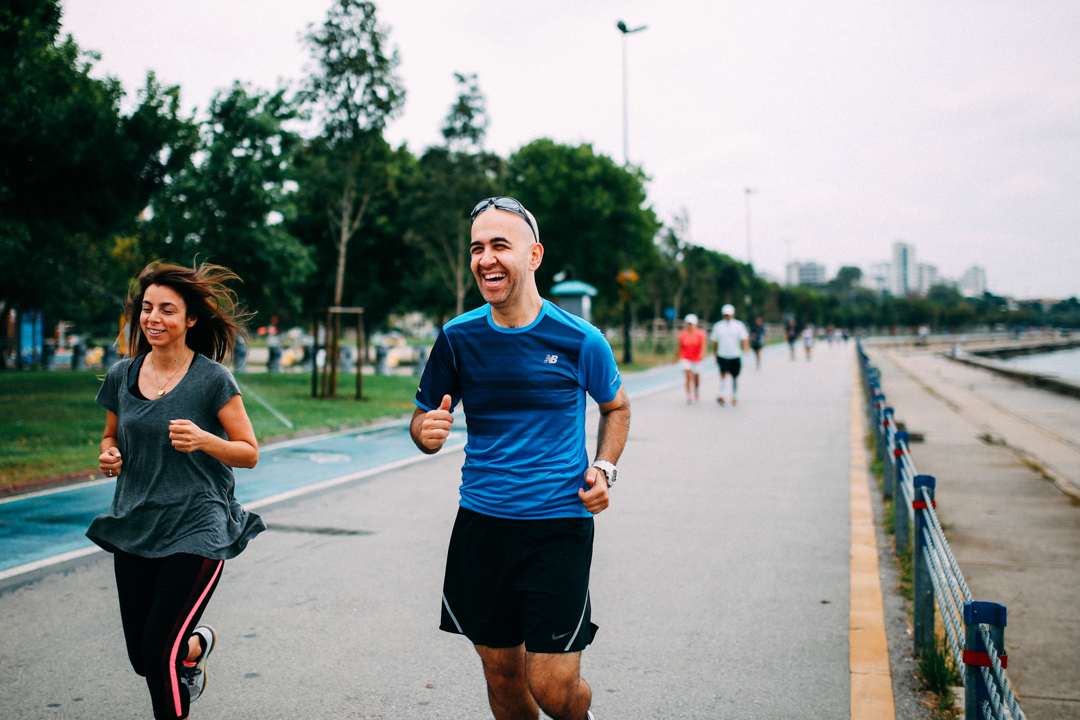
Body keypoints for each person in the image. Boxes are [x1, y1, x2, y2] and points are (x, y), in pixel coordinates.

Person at [411, 196, 631, 720]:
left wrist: (604, 467)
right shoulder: (458, 338)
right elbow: (420, 421)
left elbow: (616, 406)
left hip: (558, 525)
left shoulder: (580, 339)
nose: (485, 258)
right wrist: (428, 431)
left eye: (499, 246)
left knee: (552, 687)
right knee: (503, 677)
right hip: (482, 525)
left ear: (533, 256)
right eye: (477, 248)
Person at [90, 262, 263, 720]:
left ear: (190, 320)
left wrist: (205, 440)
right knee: (142, 657)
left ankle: (177, 661)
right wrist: (109, 456)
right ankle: (196, 646)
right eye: (147, 308)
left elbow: (248, 452)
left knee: (157, 653)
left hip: (197, 526)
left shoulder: (212, 379)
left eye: (167, 310)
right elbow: (111, 437)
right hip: (136, 523)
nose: (153, 318)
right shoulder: (121, 376)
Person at [710, 303, 749, 406]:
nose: (727, 317)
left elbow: (744, 338)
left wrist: (745, 347)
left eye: (729, 314)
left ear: (733, 314)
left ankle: (734, 396)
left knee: (735, 376)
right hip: (722, 354)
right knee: (723, 374)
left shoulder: (739, 325)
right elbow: (714, 341)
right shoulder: (718, 326)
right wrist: (715, 353)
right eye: (725, 315)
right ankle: (722, 395)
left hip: (735, 355)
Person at [676, 313, 706, 402]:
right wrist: (676, 357)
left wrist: (702, 354)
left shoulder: (700, 334)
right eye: (688, 324)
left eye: (691, 324)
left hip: (696, 358)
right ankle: (689, 395)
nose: (690, 326)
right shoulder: (683, 334)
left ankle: (696, 390)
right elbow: (680, 347)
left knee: (696, 378)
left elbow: (703, 346)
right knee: (688, 376)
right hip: (685, 357)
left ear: (695, 324)